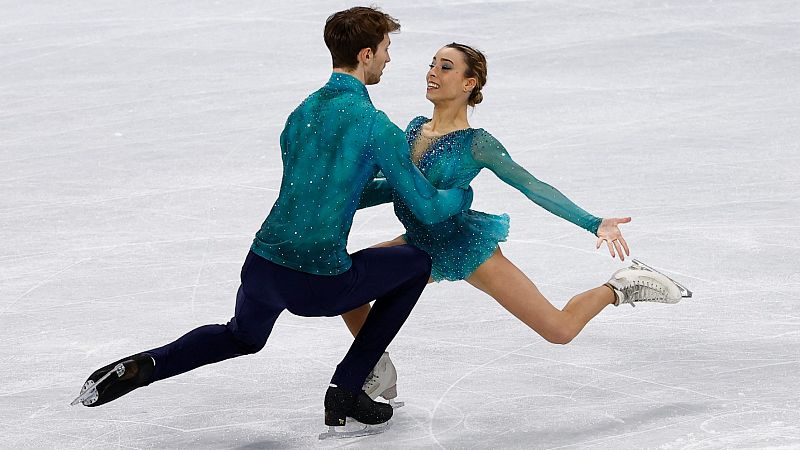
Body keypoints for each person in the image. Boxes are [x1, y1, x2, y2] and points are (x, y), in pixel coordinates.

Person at [71, 8, 473, 435]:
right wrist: (459, 193)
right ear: (367, 54)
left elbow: (328, 192)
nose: (390, 60)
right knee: (416, 264)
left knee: (241, 336)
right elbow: (428, 208)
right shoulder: (375, 125)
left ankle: (147, 364)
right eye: (388, 51)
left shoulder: (301, 114)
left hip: (261, 267)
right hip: (317, 280)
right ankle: (346, 389)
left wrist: (396, 183)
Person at [345, 43, 687, 402]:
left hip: (464, 247)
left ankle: (622, 286)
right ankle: (376, 365)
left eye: (446, 67)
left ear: (468, 83)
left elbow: (531, 185)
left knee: (559, 330)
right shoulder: (414, 129)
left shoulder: (477, 144)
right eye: (432, 64)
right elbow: (394, 185)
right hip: (417, 242)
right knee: (346, 284)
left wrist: (593, 222)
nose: (432, 73)